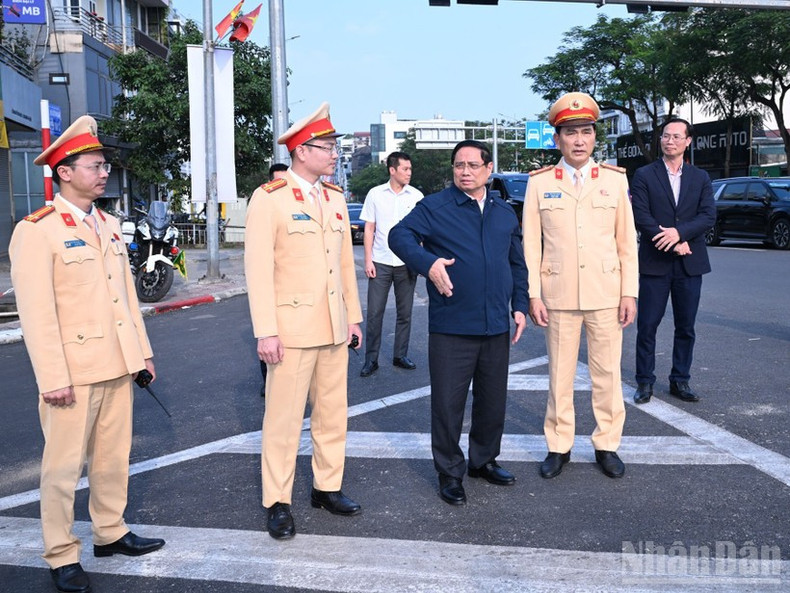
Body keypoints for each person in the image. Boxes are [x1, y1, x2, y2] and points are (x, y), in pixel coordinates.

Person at [9, 116, 165, 593]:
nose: (104, 173)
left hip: (117, 364)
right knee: (61, 468)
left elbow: (125, 300)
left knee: (113, 458)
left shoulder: (110, 225)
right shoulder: (37, 231)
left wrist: (141, 353)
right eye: (94, 165)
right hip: (72, 374)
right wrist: (52, 377)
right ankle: (60, 552)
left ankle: (110, 531)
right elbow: (36, 315)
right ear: (65, 171)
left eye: (104, 165)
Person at [244, 102, 363, 540]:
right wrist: (266, 331)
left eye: (334, 146)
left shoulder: (333, 199)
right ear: (301, 150)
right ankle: (277, 501)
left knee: (333, 415)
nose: (334, 153)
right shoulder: (269, 198)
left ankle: (326, 487)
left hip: (333, 328)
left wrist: (353, 318)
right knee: (283, 419)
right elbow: (257, 271)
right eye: (327, 147)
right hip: (290, 332)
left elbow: (344, 266)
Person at [389, 140, 528, 506]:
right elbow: (398, 236)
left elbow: (516, 263)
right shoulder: (435, 207)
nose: (464, 171)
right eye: (458, 165)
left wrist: (520, 305)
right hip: (452, 325)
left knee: (492, 401)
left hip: (496, 322)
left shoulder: (504, 212)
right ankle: (450, 473)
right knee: (448, 405)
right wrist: (428, 263)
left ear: (488, 168)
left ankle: (483, 460)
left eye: (472, 165)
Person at [522, 92, 638, 480]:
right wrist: (534, 293)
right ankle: (559, 446)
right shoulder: (539, 184)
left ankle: (607, 445)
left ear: (594, 138)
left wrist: (629, 292)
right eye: (570, 133)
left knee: (608, 374)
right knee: (560, 375)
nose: (579, 140)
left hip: (606, 294)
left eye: (585, 132)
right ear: (557, 139)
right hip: (558, 296)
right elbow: (530, 243)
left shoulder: (614, 180)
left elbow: (627, 242)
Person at [631, 118, 716, 404]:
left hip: (690, 264)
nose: (670, 141)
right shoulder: (644, 175)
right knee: (648, 325)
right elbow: (642, 217)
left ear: (688, 141)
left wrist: (680, 235)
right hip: (655, 263)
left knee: (686, 326)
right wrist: (670, 243)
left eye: (677, 136)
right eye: (666, 136)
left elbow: (707, 216)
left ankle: (680, 380)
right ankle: (644, 382)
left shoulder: (700, 178)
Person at [359, 151, 423, 377]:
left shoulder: (416, 196)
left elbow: (421, 232)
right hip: (381, 262)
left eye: (410, 169)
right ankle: (371, 359)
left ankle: (400, 355)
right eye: (405, 169)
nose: (409, 173)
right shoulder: (375, 194)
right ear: (392, 170)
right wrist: (368, 260)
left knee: (405, 313)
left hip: (407, 264)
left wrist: (420, 258)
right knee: (375, 313)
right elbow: (369, 228)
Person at [258, 163, 290, 398]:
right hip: (270, 287)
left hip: (292, 292)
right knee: (267, 335)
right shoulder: (263, 204)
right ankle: (267, 380)